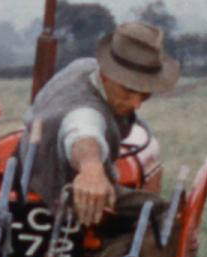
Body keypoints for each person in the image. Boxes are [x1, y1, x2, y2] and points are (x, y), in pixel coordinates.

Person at [19, 21, 180, 228]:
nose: (137, 104)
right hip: (59, 192)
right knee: (166, 215)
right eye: (128, 91)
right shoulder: (85, 110)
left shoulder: (83, 67)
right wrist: (92, 169)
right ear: (106, 76)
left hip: (28, 166)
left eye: (145, 94)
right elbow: (82, 129)